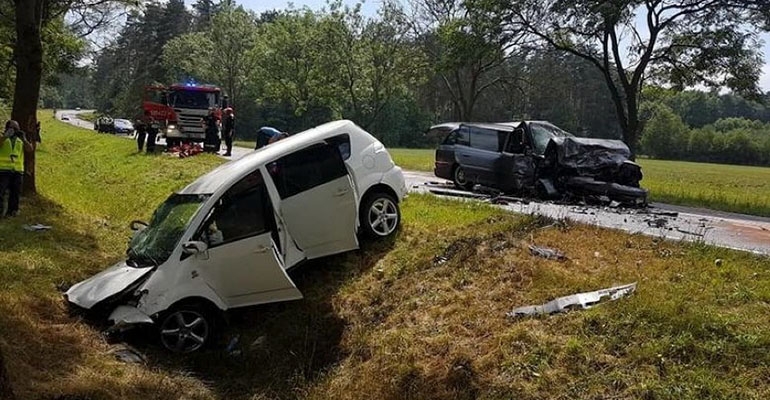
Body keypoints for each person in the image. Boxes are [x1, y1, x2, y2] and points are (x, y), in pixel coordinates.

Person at [0, 120, 33, 217]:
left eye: (17, 128)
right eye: (13, 128)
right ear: (7, 128)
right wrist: (6, 136)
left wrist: (24, 139)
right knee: (0, 192)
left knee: (15, 193)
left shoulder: (20, 140)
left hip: (17, 170)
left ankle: (12, 212)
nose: (15, 130)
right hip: (3, 170)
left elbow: (30, 149)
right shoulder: (2, 137)